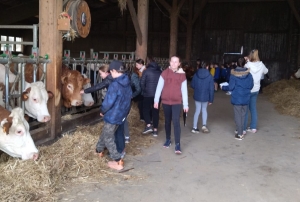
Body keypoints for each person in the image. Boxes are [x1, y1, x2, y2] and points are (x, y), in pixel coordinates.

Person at [95, 60, 132, 170]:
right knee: (106, 132)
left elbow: (108, 101)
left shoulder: (115, 84)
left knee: (108, 137)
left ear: (114, 71)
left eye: (111, 72)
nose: (110, 74)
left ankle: (118, 160)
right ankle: (98, 150)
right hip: (121, 114)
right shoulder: (127, 82)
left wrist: (102, 110)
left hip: (112, 115)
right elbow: (129, 99)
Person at [154, 55, 188, 154]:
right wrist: (156, 100)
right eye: (172, 61)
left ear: (179, 64)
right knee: (167, 121)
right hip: (165, 102)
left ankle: (178, 144)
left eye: (176, 62)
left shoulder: (182, 75)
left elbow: (184, 91)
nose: (173, 63)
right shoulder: (164, 73)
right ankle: (168, 139)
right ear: (169, 62)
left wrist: (186, 105)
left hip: (177, 102)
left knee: (176, 121)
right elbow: (159, 87)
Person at [221, 58, 254, 140]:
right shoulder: (249, 74)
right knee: (243, 115)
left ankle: (239, 134)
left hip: (237, 97)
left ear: (236, 63)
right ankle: (241, 130)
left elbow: (231, 87)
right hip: (246, 97)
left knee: (238, 116)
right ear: (244, 64)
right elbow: (251, 86)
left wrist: (223, 87)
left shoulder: (233, 74)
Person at [244, 49, 268, 133]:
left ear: (250, 56)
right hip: (256, 89)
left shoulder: (247, 65)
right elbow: (266, 71)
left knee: (245, 109)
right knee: (253, 108)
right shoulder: (261, 65)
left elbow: (243, 72)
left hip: (248, 89)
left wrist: (247, 61)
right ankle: (253, 127)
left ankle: (243, 129)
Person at [140, 56, 162, 136]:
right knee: (156, 111)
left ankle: (149, 125)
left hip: (148, 94)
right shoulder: (160, 71)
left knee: (145, 109)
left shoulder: (146, 71)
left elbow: (142, 83)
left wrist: (145, 90)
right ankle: (155, 130)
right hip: (157, 95)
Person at [191, 62, 214, 133]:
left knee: (197, 110)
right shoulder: (210, 76)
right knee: (204, 110)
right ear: (207, 67)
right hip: (206, 96)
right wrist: (211, 99)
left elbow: (192, 85)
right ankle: (204, 125)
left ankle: (194, 127)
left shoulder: (196, 75)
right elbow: (211, 89)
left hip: (197, 95)